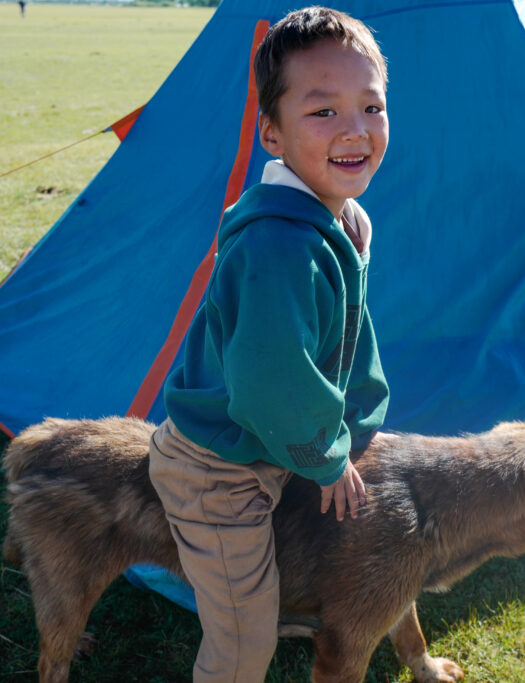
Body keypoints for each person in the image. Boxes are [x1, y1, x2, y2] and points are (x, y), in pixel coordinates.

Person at [147, 7, 390, 682]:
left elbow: (349, 336)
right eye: (323, 111)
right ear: (272, 134)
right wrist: (328, 457)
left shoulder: (343, 217)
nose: (354, 129)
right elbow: (272, 382)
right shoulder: (279, 246)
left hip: (269, 443)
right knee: (245, 639)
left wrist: (360, 420)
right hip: (218, 469)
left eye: (371, 106)